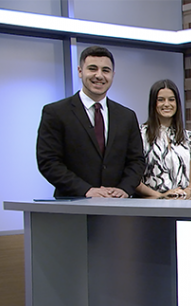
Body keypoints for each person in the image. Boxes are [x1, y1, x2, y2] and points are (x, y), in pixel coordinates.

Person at [36, 46, 144, 198]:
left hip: (118, 206)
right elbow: (48, 162)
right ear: (80, 71)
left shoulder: (127, 116)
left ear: (113, 75)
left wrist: (124, 189)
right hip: (72, 206)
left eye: (105, 70)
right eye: (92, 69)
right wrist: (86, 190)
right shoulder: (56, 112)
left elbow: (136, 161)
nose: (99, 75)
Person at [135, 80, 191, 199]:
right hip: (151, 203)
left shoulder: (189, 138)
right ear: (153, 104)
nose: (167, 104)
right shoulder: (140, 134)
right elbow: (134, 180)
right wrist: (161, 196)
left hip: (182, 203)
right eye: (161, 100)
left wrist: (187, 192)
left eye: (171, 99)